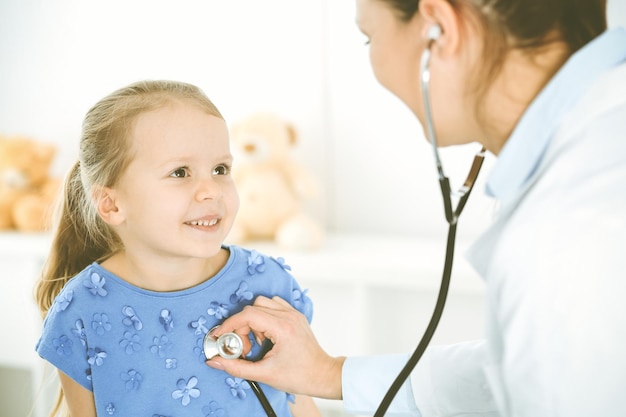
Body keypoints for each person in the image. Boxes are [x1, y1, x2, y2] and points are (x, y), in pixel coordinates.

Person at [206, 0, 626, 416]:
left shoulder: (572, 224)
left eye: (369, 36)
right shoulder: (595, 149)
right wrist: (331, 374)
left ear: (438, 28)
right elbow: (527, 370)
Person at [34, 80, 320, 417]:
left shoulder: (268, 284)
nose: (211, 190)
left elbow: (300, 403)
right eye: (180, 172)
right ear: (111, 204)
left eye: (220, 169)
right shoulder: (80, 310)